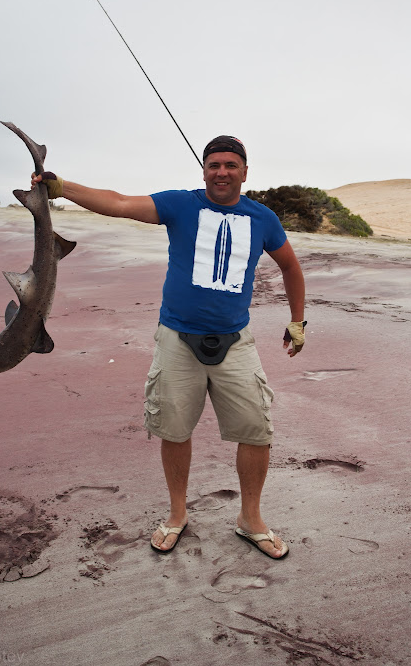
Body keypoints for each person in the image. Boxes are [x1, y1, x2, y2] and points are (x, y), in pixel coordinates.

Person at [31, 135, 305, 559]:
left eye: (231, 165)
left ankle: (251, 519)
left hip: (236, 342)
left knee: (256, 431)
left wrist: (297, 321)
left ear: (245, 172)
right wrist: (62, 187)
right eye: (214, 165)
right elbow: (119, 202)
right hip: (177, 340)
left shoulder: (262, 219)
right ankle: (177, 514)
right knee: (174, 431)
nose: (222, 172)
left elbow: (290, 266)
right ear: (204, 170)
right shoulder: (181, 204)